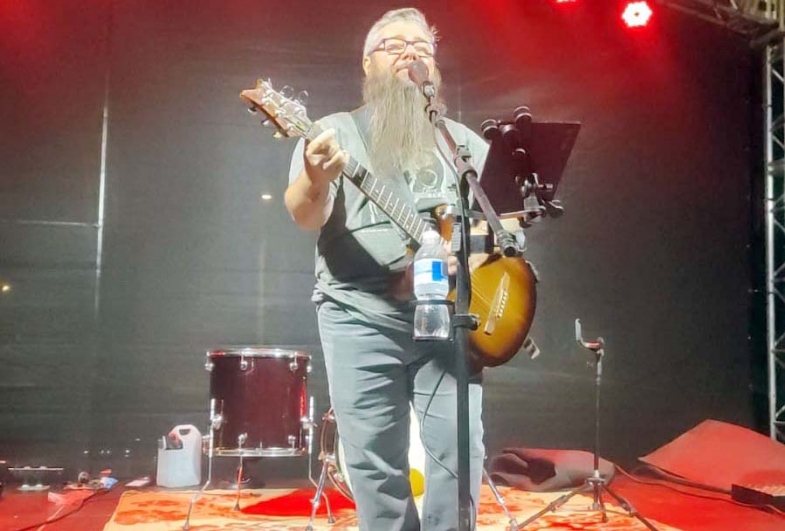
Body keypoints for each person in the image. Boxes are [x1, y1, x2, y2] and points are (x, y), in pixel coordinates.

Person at [285, 7, 492, 531]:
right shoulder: (333, 133)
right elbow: (304, 214)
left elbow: (500, 230)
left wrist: (469, 260)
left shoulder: (463, 145)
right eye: (394, 45)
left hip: (446, 322)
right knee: (374, 464)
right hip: (359, 317)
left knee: (461, 455)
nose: (410, 53)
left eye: (421, 47)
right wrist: (314, 176)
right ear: (367, 64)